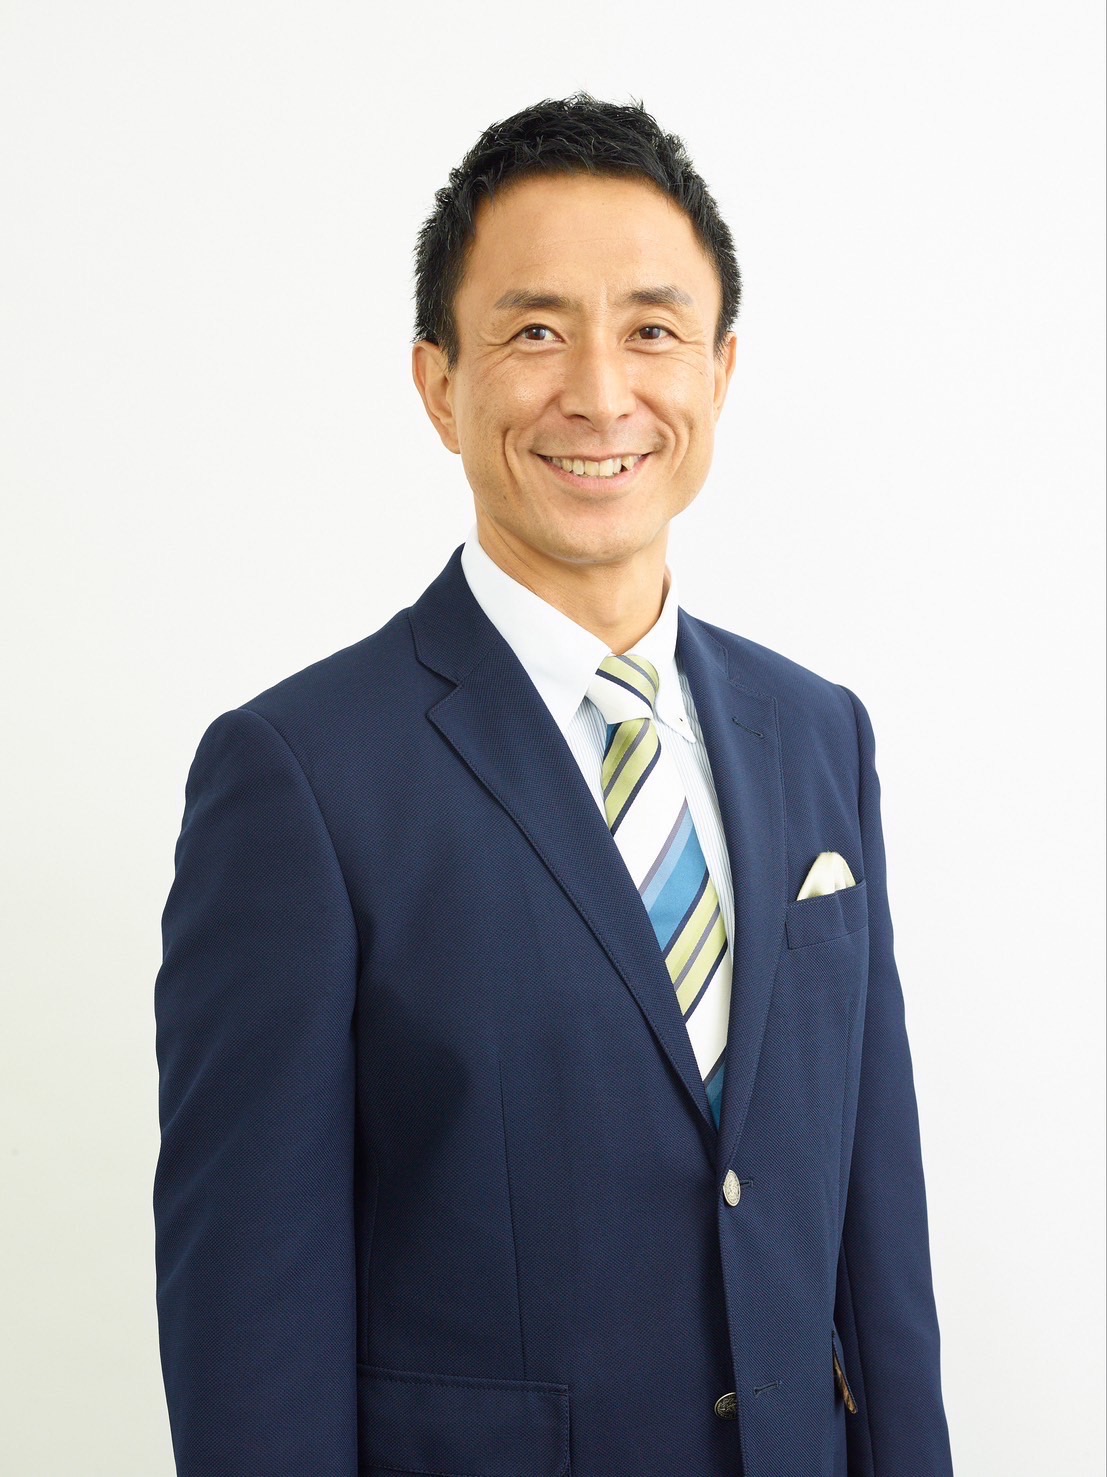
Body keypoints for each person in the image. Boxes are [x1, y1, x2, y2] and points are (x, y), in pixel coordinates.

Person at [153, 94, 954, 1477]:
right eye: (534, 331)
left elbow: (879, 1245)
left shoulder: (819, 732)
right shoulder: (298, 780)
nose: (599, 392)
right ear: (438, 384)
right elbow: (250, 1326)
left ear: (720, 372)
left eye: (651, 330)